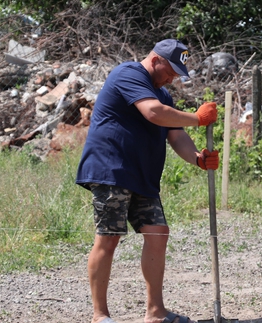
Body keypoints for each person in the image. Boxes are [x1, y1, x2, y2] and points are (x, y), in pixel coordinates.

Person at [75, 39, 220, 323]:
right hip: (111, 170)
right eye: (171, 70)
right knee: (109, 237)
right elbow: (153, 113)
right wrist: (198, 118)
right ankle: (99, 316)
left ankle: (155, 312)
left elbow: (176, 135)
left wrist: (198, 158)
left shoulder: (163, 95)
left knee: (158, 233)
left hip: (142, 175)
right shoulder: (128, 74)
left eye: (178, 73)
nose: (173, 77)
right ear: (155, 60)